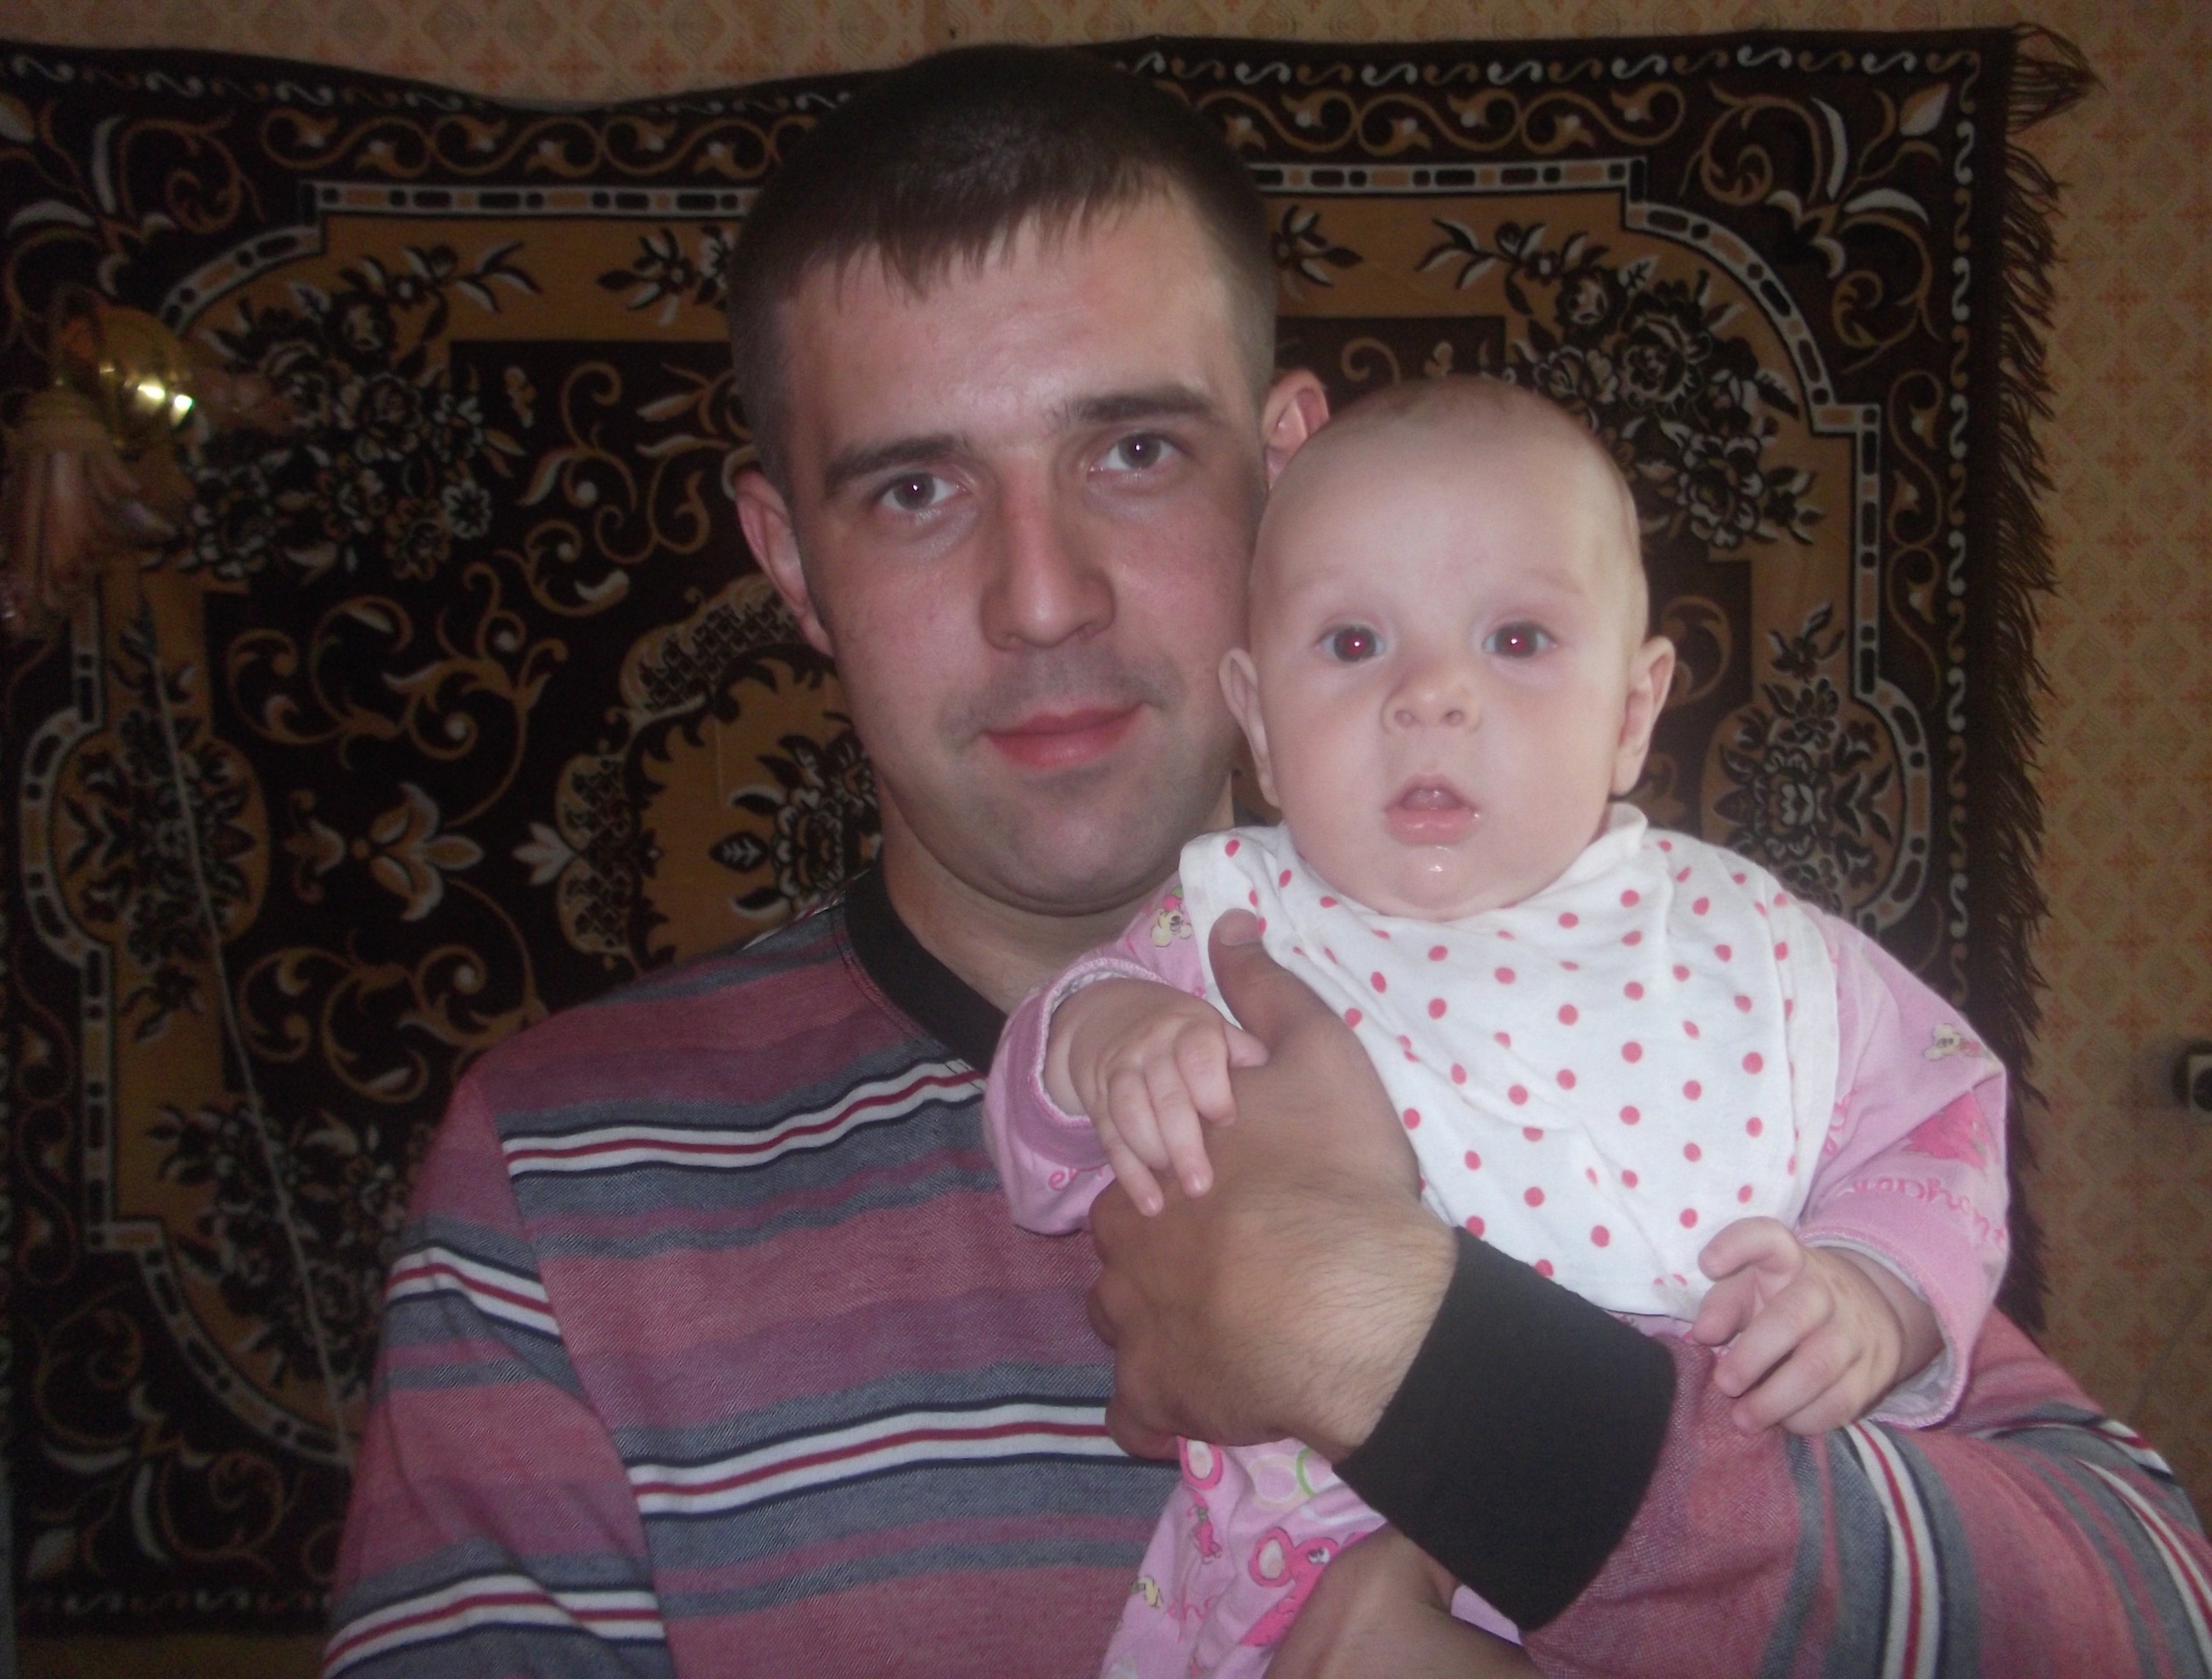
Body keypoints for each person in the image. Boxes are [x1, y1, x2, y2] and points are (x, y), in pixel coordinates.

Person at [324, 43, 2212, 1679]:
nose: (1041, 598)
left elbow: (2145, 1613)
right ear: (788, 563)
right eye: (913, 489)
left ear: (1287, 463)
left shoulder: (1661, 1015)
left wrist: (1419, 1359)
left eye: (1133, 452)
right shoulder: (556, 1179)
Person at [985, 378, 2009, 1677]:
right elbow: (1041, 1149)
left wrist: (1875, 1290)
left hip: (1707, 1566)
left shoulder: (1758, 949)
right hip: (1300, 1583)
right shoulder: (1232, 934)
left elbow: (1943, 1113)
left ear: (1632, 713)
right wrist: (1105, 1035)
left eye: (1517, 639)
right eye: (1353, 642)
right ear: (1258, 720)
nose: (1432, 694)